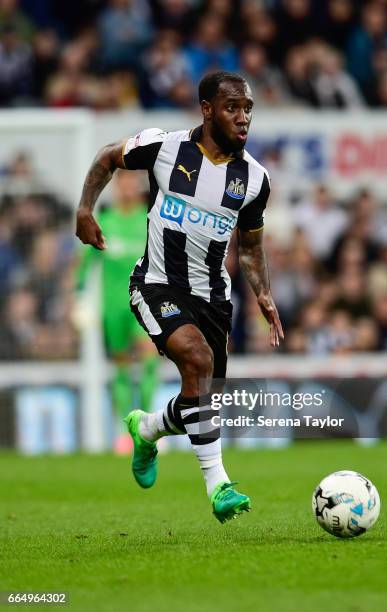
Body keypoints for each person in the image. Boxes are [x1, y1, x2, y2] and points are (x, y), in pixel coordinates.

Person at [75, 70, 284, 523]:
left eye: (247, 108)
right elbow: (108, 157)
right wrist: (85, 207)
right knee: (197, 359)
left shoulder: (254, 180)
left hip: (213, 297)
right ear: (207, 110)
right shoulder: (165, 147)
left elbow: (249, 246)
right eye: (232, 107)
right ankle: (219, 486)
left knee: (203, 397)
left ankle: (147, 427)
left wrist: (263, 293)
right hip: (156, 283)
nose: (243, 117)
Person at [76, 170, 160, 453]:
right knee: (121, 369)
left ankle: (149, 424)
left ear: (137, 188)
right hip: (113, 308)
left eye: (130, 185)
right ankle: (128, 432)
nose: (126, 190)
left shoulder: (148, 222)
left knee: (149, 360)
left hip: (145, 304)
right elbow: (86, 263)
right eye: (121, 185)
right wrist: (79, 297)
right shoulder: (106, 223)